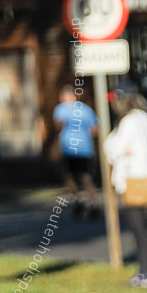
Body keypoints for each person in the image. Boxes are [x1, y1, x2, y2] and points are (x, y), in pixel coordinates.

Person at [104, 93, 147, 288]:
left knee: (139, 229)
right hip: (146, 177)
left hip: (133, 178)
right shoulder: (145, 120)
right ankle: (145, 271)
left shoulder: (129, 122)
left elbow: (113, 147)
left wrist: (117, 149)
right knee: (142, 226)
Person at [52, 85, 100, 219]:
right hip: (85, 148)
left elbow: (58, 126)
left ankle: (77, 200)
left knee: (70, 176)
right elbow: (94, 130)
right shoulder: (86, 110)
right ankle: (93, 203)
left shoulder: (60, 109)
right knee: (85, 176)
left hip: (68, 148)